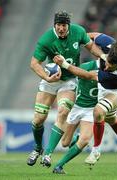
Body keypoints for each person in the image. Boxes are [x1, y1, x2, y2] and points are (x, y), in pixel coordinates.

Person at [27, 11, 103, 167]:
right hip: (50, 80)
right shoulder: (47, 39)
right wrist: (47, 77)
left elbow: (91, 47)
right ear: (54, 25)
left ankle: (47, 154)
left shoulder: (78, 32)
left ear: (68, 25)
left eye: (64, 25)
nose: (61, 28)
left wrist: (104, 58)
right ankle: (37, 147)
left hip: (68, 80)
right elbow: (34, 63)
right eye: (58, 25)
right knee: (39, 119)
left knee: (63, 111)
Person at [53, 34, 117, 173]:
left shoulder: (116, 75)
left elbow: (87, 75)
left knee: (99, 111)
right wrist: (78, 38)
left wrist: (65, 64)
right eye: (107, 60)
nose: (106, 65)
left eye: (110, 64)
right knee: (110, 117)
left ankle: (96, 150)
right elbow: (92, 36)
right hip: (105, 89)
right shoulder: (110, 46)